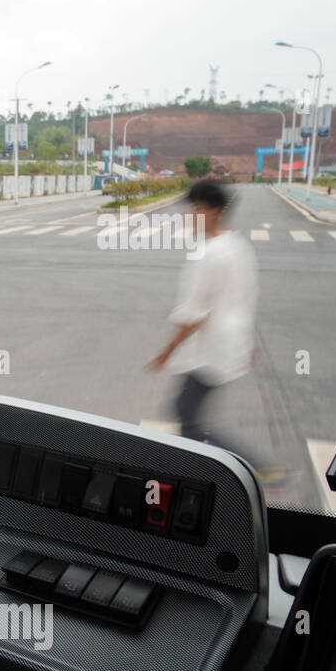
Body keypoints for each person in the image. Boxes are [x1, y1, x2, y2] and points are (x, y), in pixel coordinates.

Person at [146, 179, 262, 465]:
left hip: (209, 350)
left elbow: (195, 314)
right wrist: (248, 340)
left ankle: (252, 467)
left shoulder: (209, 253)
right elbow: (244, 297)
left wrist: (167, 351)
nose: (192, 216)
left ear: (217, 211)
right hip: (228, 345)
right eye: (192, 208)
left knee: (188, 418)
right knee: (187, 413)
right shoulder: (237, 245)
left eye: (198, 209)